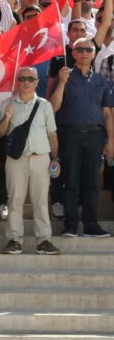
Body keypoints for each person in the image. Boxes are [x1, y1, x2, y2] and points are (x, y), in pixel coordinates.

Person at [50, 37, 114, 238]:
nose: (85, 53)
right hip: (70, 134)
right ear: (74, 53)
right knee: (70, 181)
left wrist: (111, 139)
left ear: (94, 53)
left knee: (91, 183)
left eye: (89, 49)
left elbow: (106, 113)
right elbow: (53, 107)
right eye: (81, 49)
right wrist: (61, 83)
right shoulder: (65, 76)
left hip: (96, 135)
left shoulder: (101, 81)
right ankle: (70, 225)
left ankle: (91, 225)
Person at [0, 67, 61, 255]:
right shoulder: (7, 104)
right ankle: (14, 240)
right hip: (16, 160)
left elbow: (52, 134)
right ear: (18, 81)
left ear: (37, 82)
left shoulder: (45, 105)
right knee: (15, 200)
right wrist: (7, 118)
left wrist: (55, 158)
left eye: (30, 79)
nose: (26, 82)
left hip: (41, 157)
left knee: (41, 200)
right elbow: (0, 133)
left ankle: (44, 240)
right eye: (22, 78)